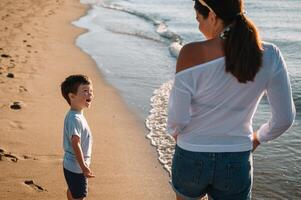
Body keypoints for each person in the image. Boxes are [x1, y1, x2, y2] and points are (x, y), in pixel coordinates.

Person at [167, 0, 296, 199]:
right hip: (237, 157)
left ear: (211, 15)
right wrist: (258, 137)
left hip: (191, 153)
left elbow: (177, 119)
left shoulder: (190, 53)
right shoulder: (271, 55)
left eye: (198, 19)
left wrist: (178, 135)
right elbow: (285, 118)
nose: (199, 27)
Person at [61, 75, 95, 200]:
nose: (89, 94)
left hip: (71, 165)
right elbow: (76, 143)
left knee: (73, 191)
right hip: (77, 167)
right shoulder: (75, 118)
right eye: (85, 91)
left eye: (91, 91)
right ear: (72, 96)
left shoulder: (75, 115)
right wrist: (84, 167)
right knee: (80, 196)